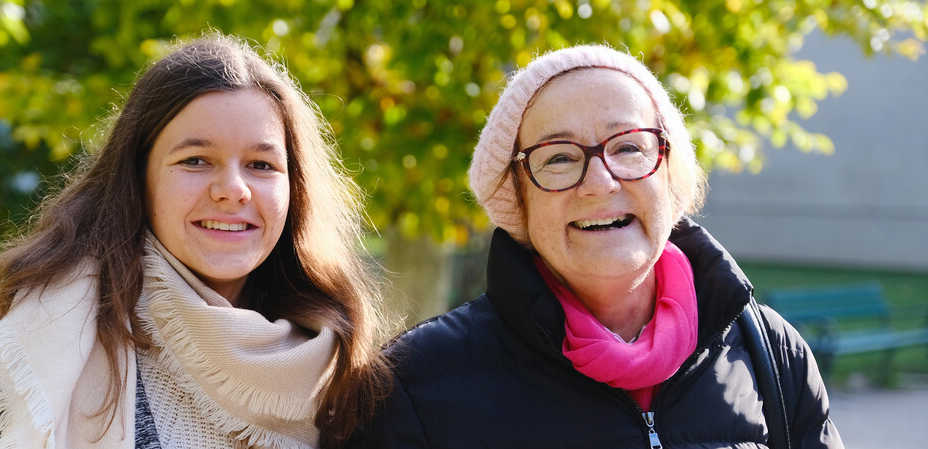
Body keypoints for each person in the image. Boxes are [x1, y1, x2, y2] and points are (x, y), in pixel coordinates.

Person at [348, 45, 843, 448]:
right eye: (559, 158)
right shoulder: (416, 384)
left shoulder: (772, 356)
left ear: (669, 175)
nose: (600, 182)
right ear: (517, 197)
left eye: (628, 147)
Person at [0, 34, 391, 449]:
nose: (233, 188)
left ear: (295, 189)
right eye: (195, 160)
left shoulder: (342, 368)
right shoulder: (37, 349)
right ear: (138, 179)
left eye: (261, 165)